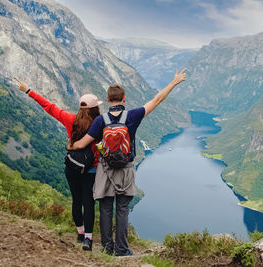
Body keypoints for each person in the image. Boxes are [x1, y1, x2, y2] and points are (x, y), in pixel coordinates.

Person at [69, 68, 187, 256]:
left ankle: (107, 249)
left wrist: (71, 147)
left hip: (105, 169)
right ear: (124, 99)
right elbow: (157, 100)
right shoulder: (132, 116)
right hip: (126, 168)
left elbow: (83, 143)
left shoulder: (101, 120)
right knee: (122, 208)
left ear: (108, 100)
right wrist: (174, 82)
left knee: (106, 207)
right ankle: (122, 250)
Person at [14, 78, 101, 251]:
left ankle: (80, 233)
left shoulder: (70, 119)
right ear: (95, 109)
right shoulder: (99, 124)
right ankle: (88, 240)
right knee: (88, 202)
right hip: (91, 169)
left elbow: (49, 107)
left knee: (76, 200)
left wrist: (28, 90)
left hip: (73, 166)